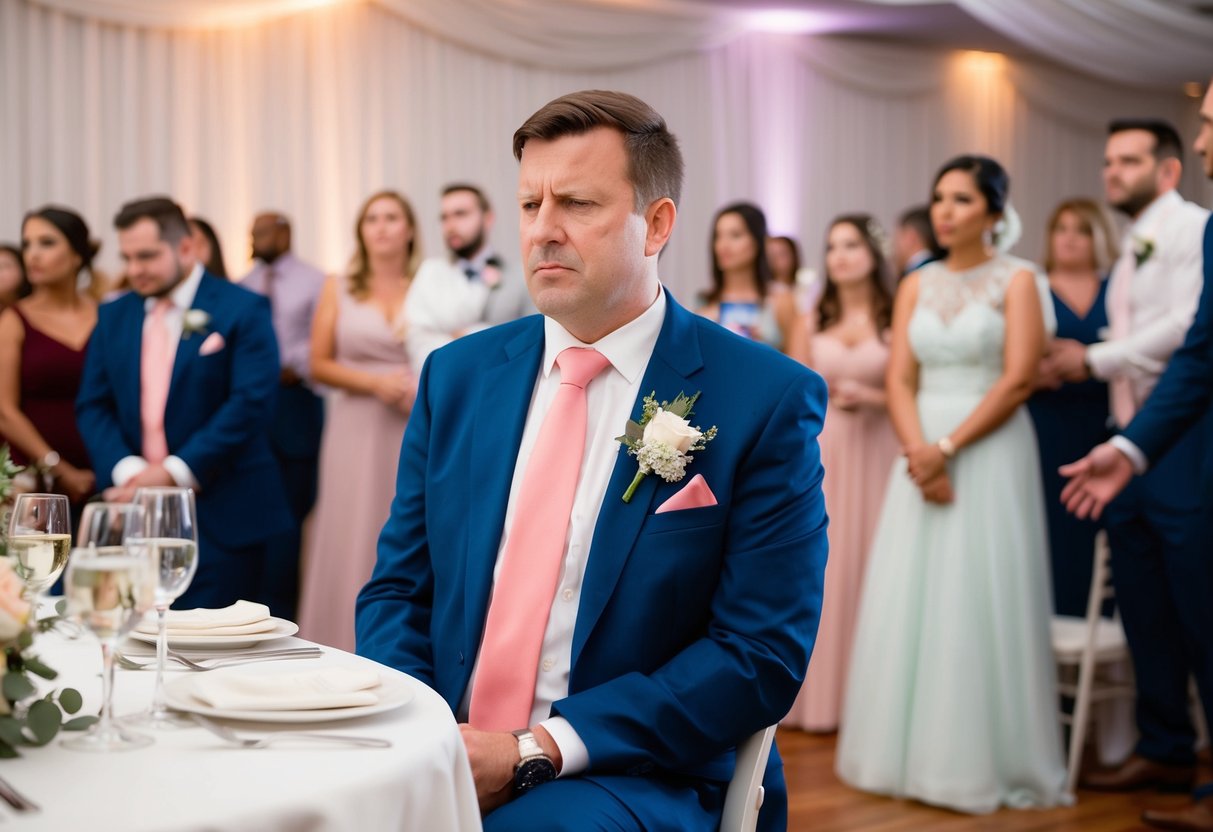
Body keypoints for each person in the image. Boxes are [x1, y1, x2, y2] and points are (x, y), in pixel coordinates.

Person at [356, 90, 828, 832]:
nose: (543, 230)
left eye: (576, 204)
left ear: (656, 225)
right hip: (446, 745)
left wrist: (536, 749)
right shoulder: (457, 377)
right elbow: (396, 590)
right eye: (530, 204)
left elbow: (758, 652)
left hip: (635, 771)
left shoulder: (761, 398)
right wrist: (432, 738)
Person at [835, 155, 1068, 813]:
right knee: (914, 592)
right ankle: (900, 756)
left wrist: (946, 450)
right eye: (939, 197)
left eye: (962, 199)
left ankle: (981, 760)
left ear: (994, 211)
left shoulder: (1019, 279)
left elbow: (1018, 380)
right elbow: (899, 378)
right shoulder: (917, 281)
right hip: (917, 449)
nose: (944, 210)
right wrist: (918, 451)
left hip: (987, 448)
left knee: (978, 588)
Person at [1061, 81, 1213, 832]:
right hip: (1132, 447)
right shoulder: (1128, 250)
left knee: (1199, 609)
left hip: (1178, 446)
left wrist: (1092, 359)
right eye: (1108, 161)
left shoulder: (1191, 230)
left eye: (1127, 161)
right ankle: (1165, 748)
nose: (1111, 172)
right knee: (1146, 607)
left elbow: (1190, 333)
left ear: (1167, 170)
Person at [76, 196, 291, 608]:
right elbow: (93, 404)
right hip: (132, 516)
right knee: (136, 636)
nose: (134, 270)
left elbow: (251, 403)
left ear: (187, 247)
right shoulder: (114, 315)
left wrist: (172, 473)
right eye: (127, 257)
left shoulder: (243, 308)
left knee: (214, 643)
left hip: (224, 515)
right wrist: (131, 472)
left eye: (147, 256)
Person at [782, 214, 897, 733]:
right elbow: (794, 390)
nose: (840, 256)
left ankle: (871, 702)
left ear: (874, 253)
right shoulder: (810, 318)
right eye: (832, 247)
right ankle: (818, 698)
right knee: (825, 566)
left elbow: (912, 388)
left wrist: (872, 397)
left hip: (880, 449)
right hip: (827, 452)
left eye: (851, 245)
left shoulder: (896, 316)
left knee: (875, 564)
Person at [297, 190, 418, 651]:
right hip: (354, 425)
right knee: (352, 528)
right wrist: (373, 384)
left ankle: (400, 645)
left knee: (404, 524)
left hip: (413, 422)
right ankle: (338, 640)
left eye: (392, 217)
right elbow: (317, 363)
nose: (381, 227)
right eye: (372, 219)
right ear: (361, 232)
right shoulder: (339, 286)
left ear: (410, 229)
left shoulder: (429, 285)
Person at [1027, 198, 1118, 615]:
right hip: (1047, 423)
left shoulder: (1117, 288)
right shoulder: (1034, 288)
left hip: (1105, 424)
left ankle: (1103, 624)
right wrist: (1039, 372)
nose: (1069, 238)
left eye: (1081, 229)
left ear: (1099, 236)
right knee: (1051, 523)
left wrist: (1091, 359)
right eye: (1061, 229)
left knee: (1104, 526)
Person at [239, 211, 327, 620]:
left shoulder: (316, 281)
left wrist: (296, 364)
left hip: (296, 403)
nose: (255, 239)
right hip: (254, 406)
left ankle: (285, 611)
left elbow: (323, 339)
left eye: (262, 232)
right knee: (255, 508)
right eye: (252, 232)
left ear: (285, 233)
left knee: (293, 514)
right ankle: (249, 603)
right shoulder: (244, 284)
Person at [0, 208, 99, 511]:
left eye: (47, 243)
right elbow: (4, 411)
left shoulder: (105, 315)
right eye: (27, 244)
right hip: (32, 479)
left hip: (100, 475)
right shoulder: (13, 320)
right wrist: (58, 468)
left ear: (77, 254)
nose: (33, 254)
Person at [404, 183, 534, 368]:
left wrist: (468, 336)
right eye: (444, 217)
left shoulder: (520, 276)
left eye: (460, 214)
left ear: (487, 218)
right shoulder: (430, 273)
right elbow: (416, 340)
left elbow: (532, 340)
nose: (451, 226)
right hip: (444, 377)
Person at [698, 202, 800, 355]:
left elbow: (798, 362)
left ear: (757, 241)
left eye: (735, 235)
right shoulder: (703, 303)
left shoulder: (781, 301)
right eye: (718, 236)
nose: (723, 245)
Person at [892, 204, 944, 278]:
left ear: (910, 237)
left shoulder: (914, 277)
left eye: (897, 238)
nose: (894, 246)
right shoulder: (943, 269)